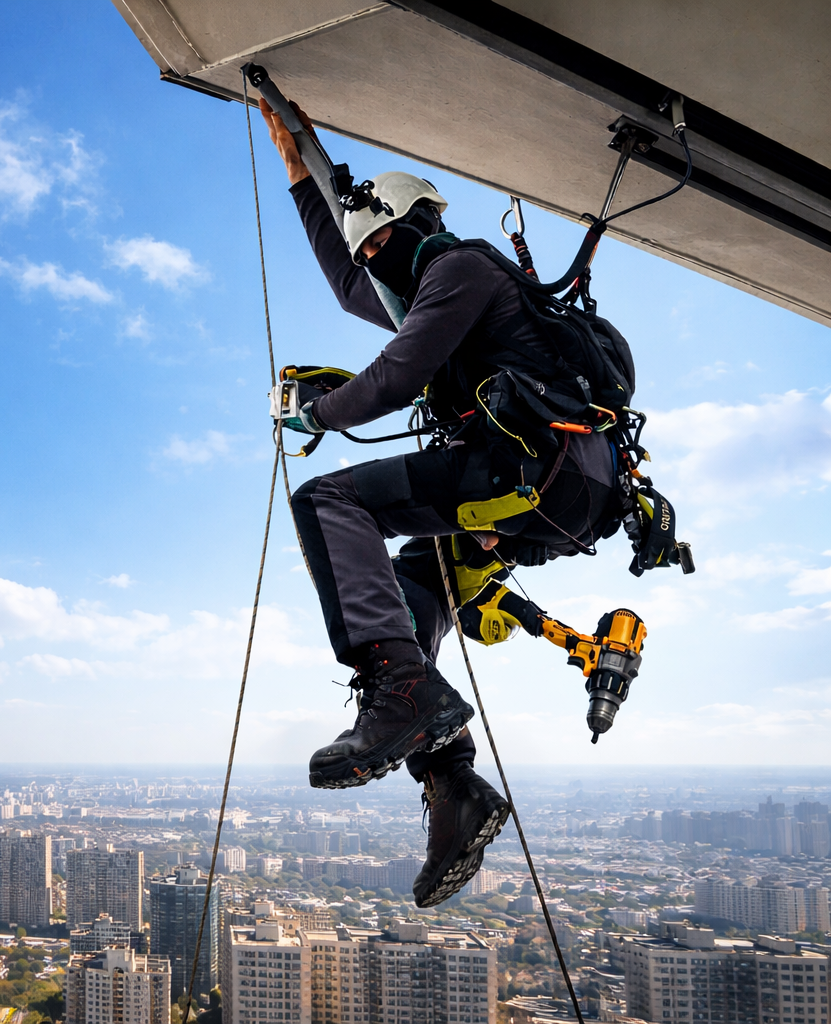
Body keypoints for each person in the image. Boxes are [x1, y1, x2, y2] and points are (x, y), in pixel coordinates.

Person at [260, 99, 627, 906]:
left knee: (330, 502)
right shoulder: (427, 278)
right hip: (555, 487)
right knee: (415, 583)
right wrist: (301, 178)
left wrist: (317, 412)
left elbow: (393, 379)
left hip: (525, 469)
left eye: (382, 242)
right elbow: (351, 285)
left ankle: (400, 686)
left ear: (408, 226)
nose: (377, 260)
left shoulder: (459, 269)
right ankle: (454, 787)